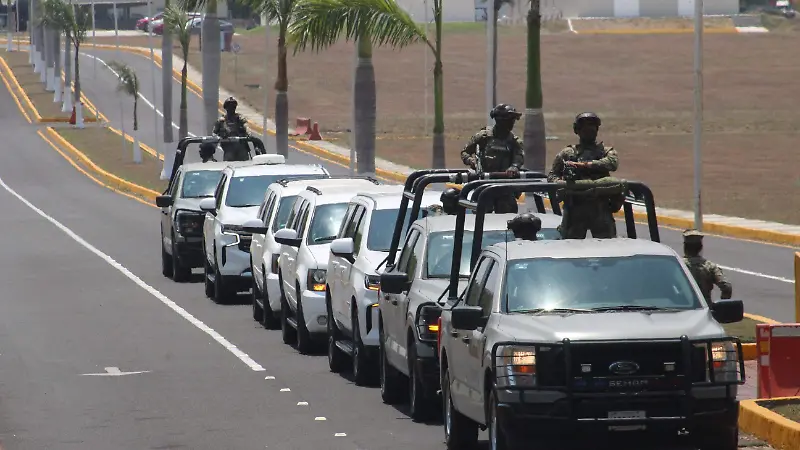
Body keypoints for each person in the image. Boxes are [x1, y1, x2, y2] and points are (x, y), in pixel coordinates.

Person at [547, 112, 619, 239]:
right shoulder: (568, 153)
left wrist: (585, 165)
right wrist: (561, 183)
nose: (589, 131)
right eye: (585, 128)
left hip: (600, 206)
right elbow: (552, 175)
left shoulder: (605, 151)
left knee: (608, 246)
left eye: (592, 127)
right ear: (577, 130)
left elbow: (612, 163)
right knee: (571, 247)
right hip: (575, 207)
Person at [461, 103, 525, 214]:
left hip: (505, 187)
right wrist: (471, 161)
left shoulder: (514, 141)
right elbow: (465, 152)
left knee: (507, 217)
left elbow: (519, 157)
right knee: (482, 218)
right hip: (484, 186)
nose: (511, 123)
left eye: (512, 120)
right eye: (508, 120)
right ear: (499, 120)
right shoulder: (484, 136)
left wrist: (514, 167)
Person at [682, 229, 732, 303]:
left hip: (682, 308)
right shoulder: (710, 266)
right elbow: (727, 287)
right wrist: (722, 305)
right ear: (700, 247)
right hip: (705, 308)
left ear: (685, 247)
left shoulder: (678, 265)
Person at [212, 97, 250, 161]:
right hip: (228, 149)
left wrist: (248, 133)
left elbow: (246, 126)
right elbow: (214, 133)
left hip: (241, 148)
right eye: (229, 106)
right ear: (226, 107)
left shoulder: (240, 118)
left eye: (233, 106)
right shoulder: (221, 121)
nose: (231, 108)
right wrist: (219, 137)